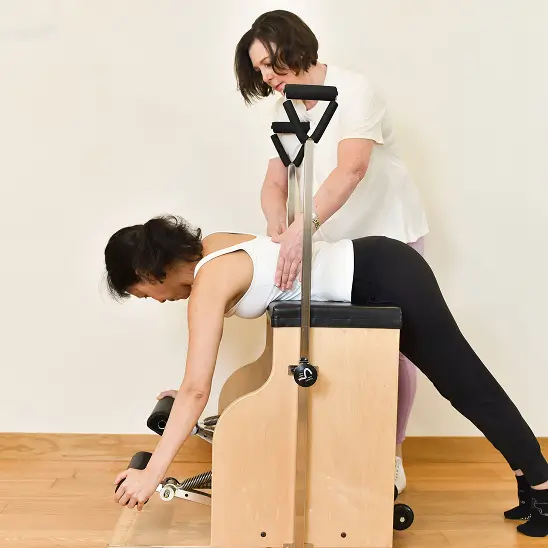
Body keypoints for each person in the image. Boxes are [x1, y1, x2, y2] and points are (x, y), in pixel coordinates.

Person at [105, 214, 548, 538]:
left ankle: (543, 485)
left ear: (147, 274)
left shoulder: (209, 284)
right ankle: (528, 483)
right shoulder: (214, 247)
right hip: (379, 265)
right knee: (463, 385)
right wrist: (183, 391)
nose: (155, 301)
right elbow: (195, 379)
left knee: (465, 384)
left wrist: (152, 473)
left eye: (142, 294)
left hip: (383, 277)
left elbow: (197, 388)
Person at [234, 9, 429, 489]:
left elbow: (351, 169)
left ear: (295, 46)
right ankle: (346, 448)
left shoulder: (355, 90)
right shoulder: (284, 109)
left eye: (270, 63)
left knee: (395, 348)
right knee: (337, 344)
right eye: (258, 70)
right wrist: (276, 221)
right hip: (333, 243)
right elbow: (275, 180)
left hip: (390, 234)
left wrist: (302, 230)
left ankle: (390, 454)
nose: (266, 77)